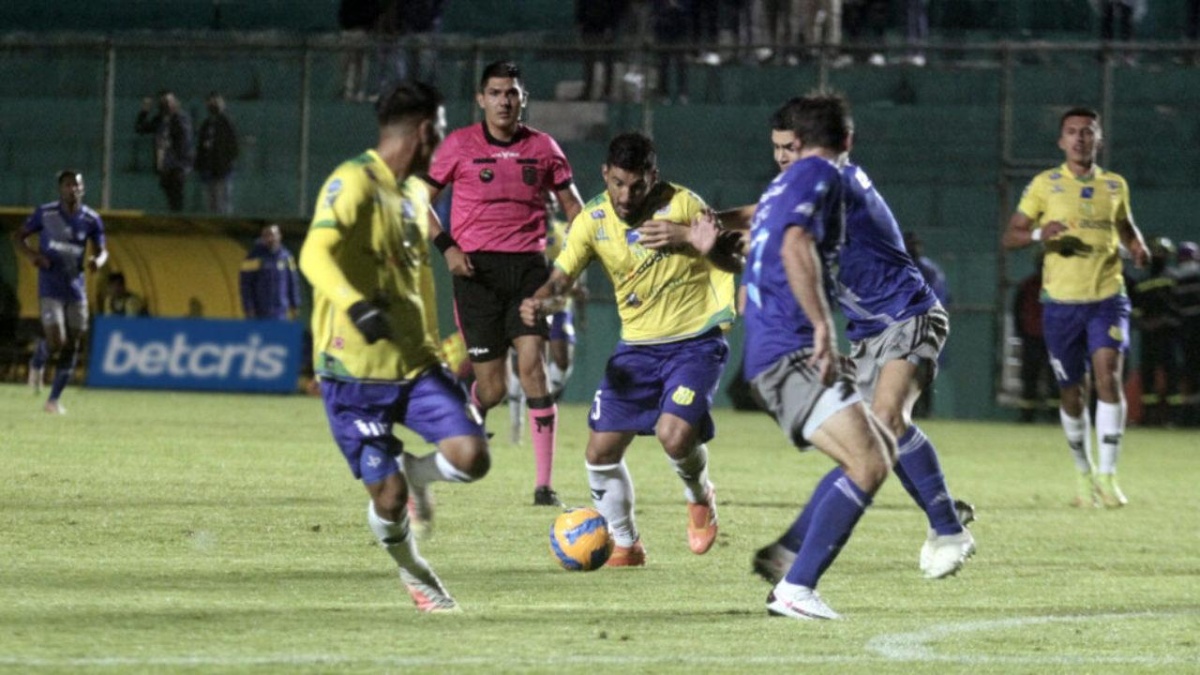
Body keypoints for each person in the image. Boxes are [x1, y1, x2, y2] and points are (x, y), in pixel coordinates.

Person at [697, 93, 896, 620]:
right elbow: (794, 246)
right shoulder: (820, 177)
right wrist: (823, 330)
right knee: (870, 462)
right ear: (847, 141)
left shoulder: (782, 185)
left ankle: (792, 571)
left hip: (774, 349)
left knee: (875, 454)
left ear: (799, 140)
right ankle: (795, 587)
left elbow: (758, 261)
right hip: (790, 349)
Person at [298, 80, 489, 614]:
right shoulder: (353, 181)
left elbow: (416, 282)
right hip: (353, 375)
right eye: (444, 129)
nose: (446, 140)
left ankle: (415, 470)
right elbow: (314, 253)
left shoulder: (414, 194)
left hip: (415, 368)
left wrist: (433, 348)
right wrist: (353, 304)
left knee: (472, 457)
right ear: (426, 130)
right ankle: (416, 573)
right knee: (389, 499)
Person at [521, 131, 733, 568]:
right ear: (605, 175)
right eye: (618, 182)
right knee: (599, 454)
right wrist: (541, 300)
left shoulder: (685, 206)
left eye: (637, 185)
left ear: (653, 177)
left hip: (695, 342)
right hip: (636, 350)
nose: (625, 194)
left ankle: (700, 497)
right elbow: (562, 279)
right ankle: (626, 544)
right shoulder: (593, 220)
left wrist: (691, 236)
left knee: (673, 436)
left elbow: (735, 254)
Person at [422, 60, 585, 507]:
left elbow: (574, 206)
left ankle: (544, 485)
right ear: (481, 99)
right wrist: (448, 249)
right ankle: (460, 430)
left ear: (523, 99)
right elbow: (418, 201)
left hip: (529, 270)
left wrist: (584, 242)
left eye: (512, 92)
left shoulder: (545, 147)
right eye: (495, 92)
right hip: (476, 274)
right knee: (491, 388)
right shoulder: (458, 146)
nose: (504, 100)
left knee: (532, 365)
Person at [1002, 106, 1149, 509]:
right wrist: (1037, 232)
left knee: (1109, 377)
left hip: (1107, 297)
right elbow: (1010, 235)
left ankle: (1109, 475)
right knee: (1072, 391)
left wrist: (1137, 245)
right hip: (1062, 304)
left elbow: (1125, 226)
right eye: (1073, 132)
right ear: (1061, 141)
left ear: (1098, 139)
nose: (1081, 138)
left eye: (1088, 132)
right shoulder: (1044, 185)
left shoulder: (1115, 186)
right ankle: (1083, 474)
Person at [11, 170, 108, 414]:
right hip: (50, 288)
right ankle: (39, 358)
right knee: (57, 339)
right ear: (60, 189)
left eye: (76, 185)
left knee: (73, 343)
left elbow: (103, 250)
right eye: (67, 185)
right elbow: (18, 237)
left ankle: (53, 400)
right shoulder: (45, 213)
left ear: (83, 189)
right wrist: (34, 256)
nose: (72, 189)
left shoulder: (91, 219)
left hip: (76, 289)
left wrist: (98, 260)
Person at [507, 195, 586, 445]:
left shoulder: (566, 230)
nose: (549, 206)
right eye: (544, 201)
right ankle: (518, 425)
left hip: (560, 305)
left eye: (553, 202)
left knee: (562, 362)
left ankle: (543, 404)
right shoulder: (522, 231)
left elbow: (578, 262)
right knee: (527, 363)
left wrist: (579, 294)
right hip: (531, 304)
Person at [1130, 237, 1180, 427]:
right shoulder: (1141, 284)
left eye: (1162, 253)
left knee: (1171, 375)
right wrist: (1144, 323)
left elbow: (1179, 308)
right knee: (1148, 375)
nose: (1159, 256)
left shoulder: (1174, 279)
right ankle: (1149, 417)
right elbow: (1135, 311)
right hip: (1149, 336)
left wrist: (1168, 320)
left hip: (1169, 335)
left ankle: (1174, 418)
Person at [902, 229, 948, 418]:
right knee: (899, 367)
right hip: (899, 326)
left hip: (925, 323)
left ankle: (924, 410)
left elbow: (939, 297)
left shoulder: (929, 270)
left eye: (917, 244)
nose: (915, 248)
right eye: (911, 244)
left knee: (924, 368)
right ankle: (903, 408)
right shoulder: (896, 267)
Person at [135, 90, 194, 212]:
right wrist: (145, 111)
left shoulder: (180, 118)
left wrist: (182, 162)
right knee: (170, 196)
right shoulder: (159, 120)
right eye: (163, 102)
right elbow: (140, 128)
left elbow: (184, 140)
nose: (167, 105)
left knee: (177, 196)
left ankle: (179, 221)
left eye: (169, 101)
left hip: (178, 165)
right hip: (164, 165)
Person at [1013, 257, 1055, 423]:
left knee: (1055, 378)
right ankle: (1027, 415)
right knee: (1029, 377)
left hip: (1054, 338)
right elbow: (1017, 310)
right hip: (1032, 338)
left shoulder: (1060, 285)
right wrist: (1021, 333)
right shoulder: (1028, 285)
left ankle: (1055, 414)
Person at [240, 224, 302, 321]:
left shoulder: (287, 257)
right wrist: (248, 307)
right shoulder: (253, 258)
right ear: (262, 237)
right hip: (259, 312)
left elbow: (293, 282)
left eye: (273, 235)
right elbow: (246, 285)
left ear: (279, 236)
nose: (270, 238)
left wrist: (295, 305)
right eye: (267, 235)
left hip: (281, 312)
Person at [575, 0, 630, 101]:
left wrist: (611, 26)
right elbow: (581, 5)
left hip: (604, 28)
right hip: (589, 27)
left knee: (607, 61)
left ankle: (606, 92)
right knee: (589, 63)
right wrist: (580, 23)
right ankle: (587, 91)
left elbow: (616, 7)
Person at [1170, 241, 1200, 426]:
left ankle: (1188, 416)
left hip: (1185, 331)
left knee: (1189, 372)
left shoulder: (1174, 277)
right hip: (1194, 329)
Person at [195, 92, 239, 215]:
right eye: (211, 102)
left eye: (217, 102)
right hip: (209, 169)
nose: (214, 105)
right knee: (211, 203)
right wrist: (200, 165)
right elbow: (201, 147)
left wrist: (227, 163)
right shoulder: (206, 124)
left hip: (223, 169)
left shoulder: (226, 122)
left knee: (224, 202)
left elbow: (233, 146)